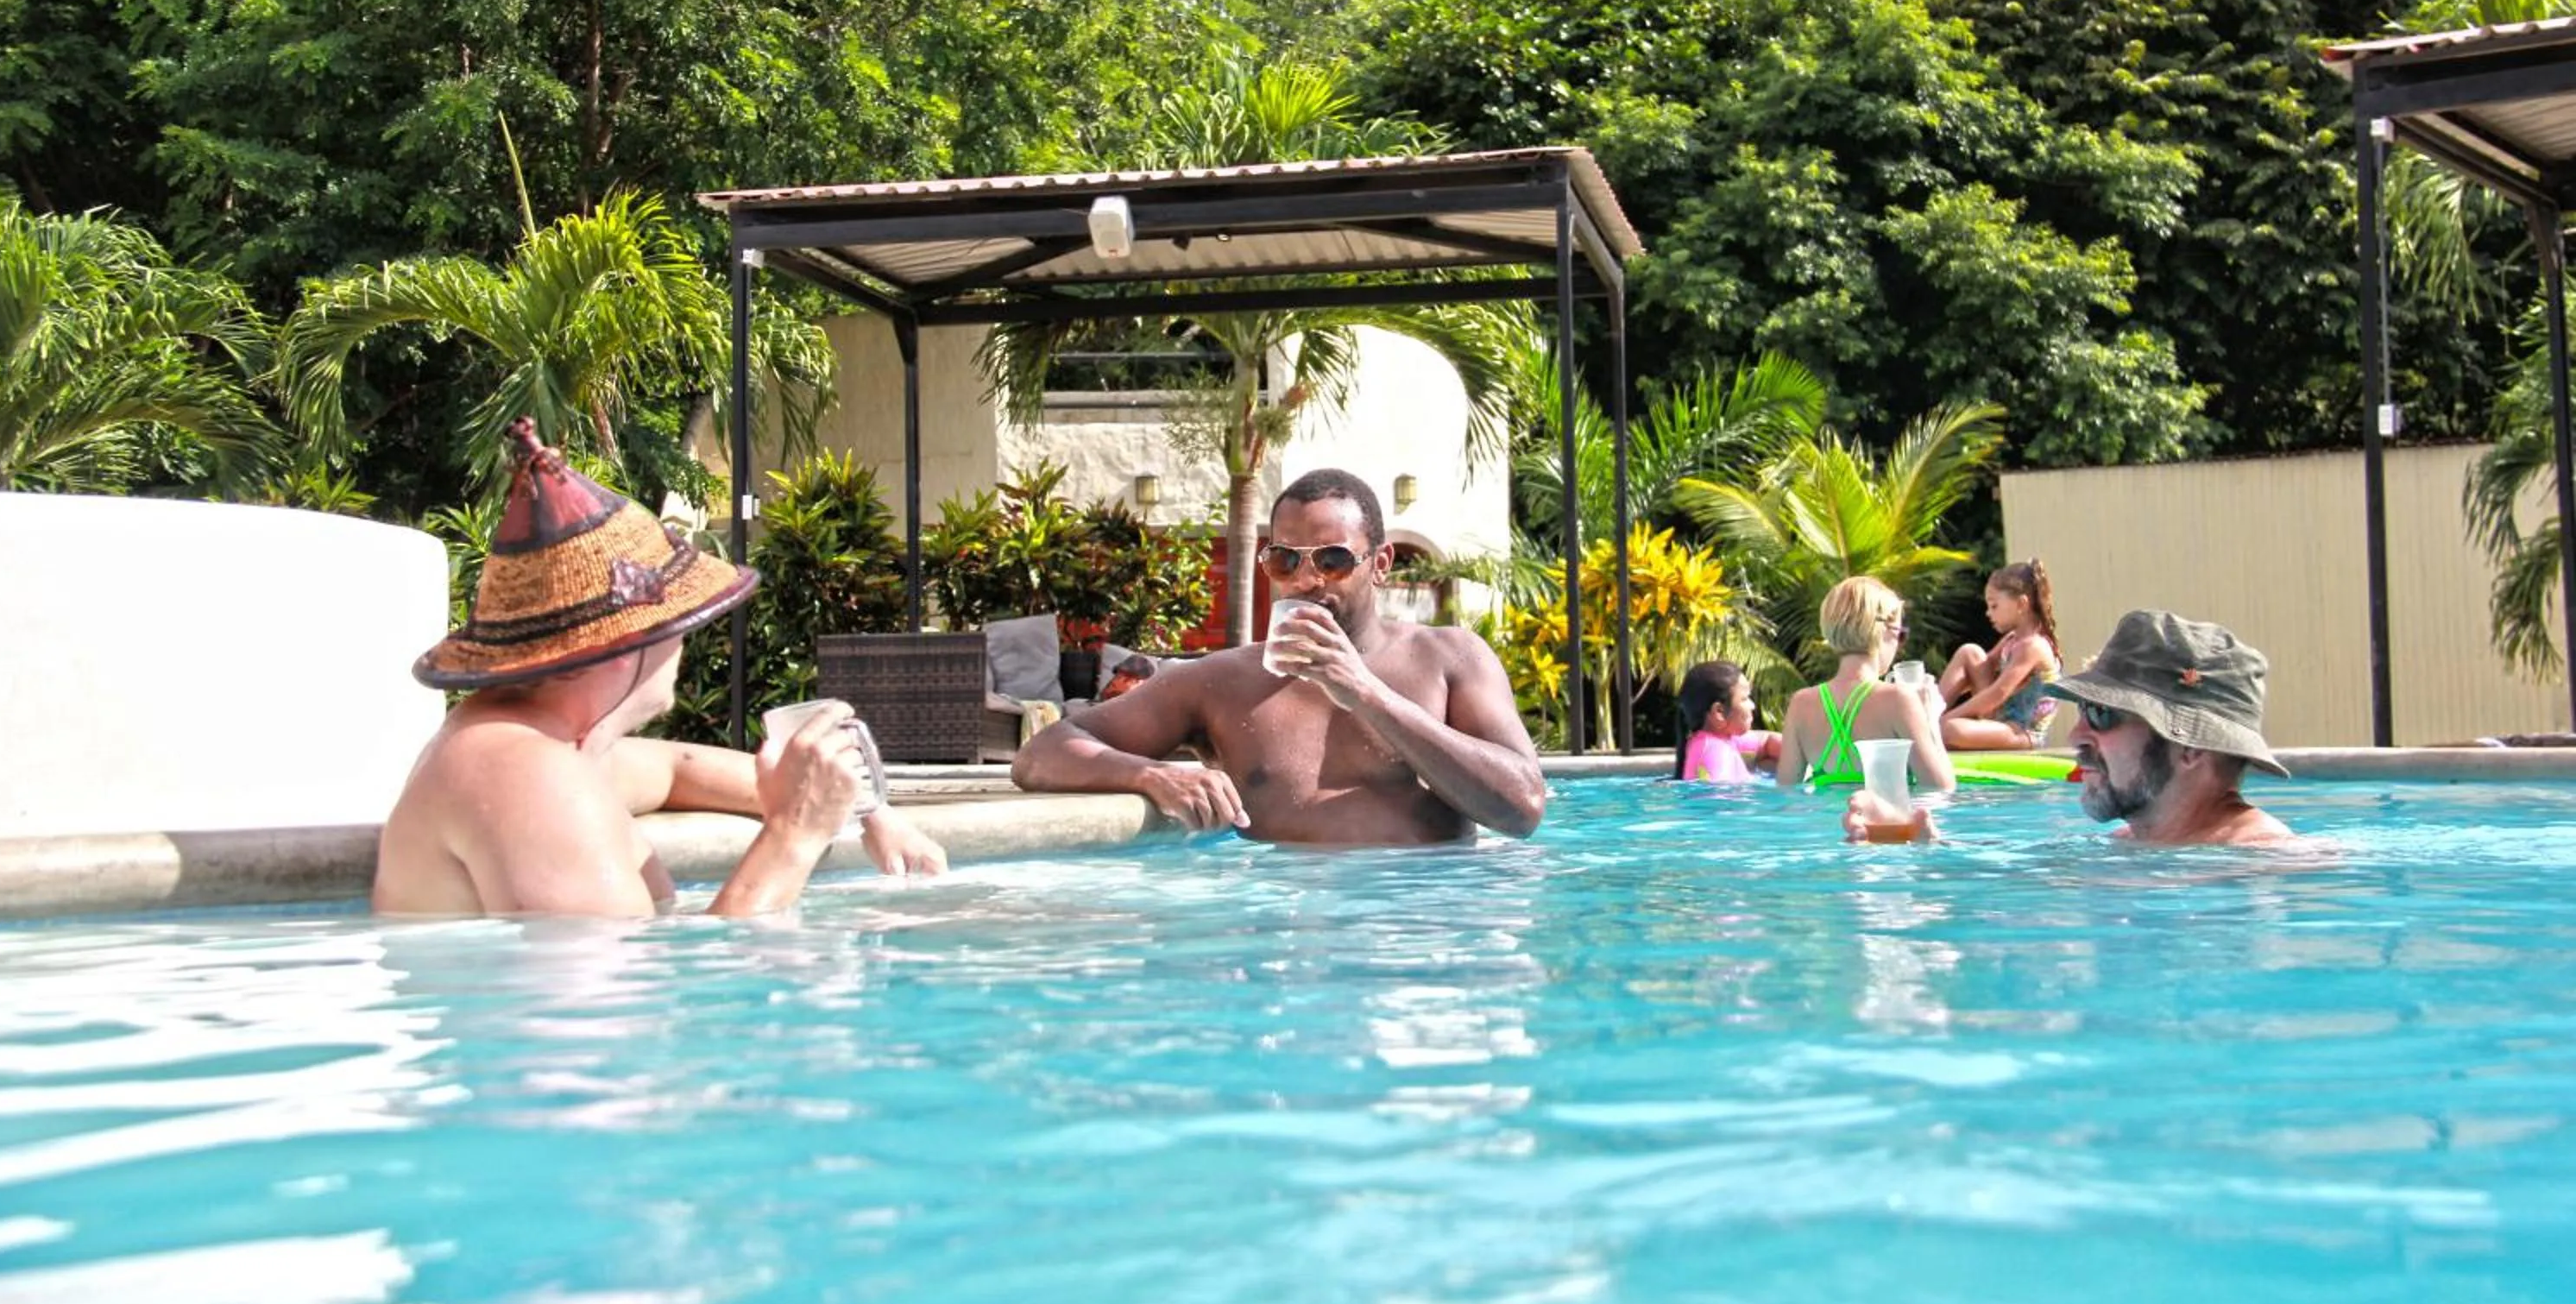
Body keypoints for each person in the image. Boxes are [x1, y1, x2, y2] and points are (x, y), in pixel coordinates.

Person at [374, 420, 947, 918]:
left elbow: (676, 769)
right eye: (680, 623)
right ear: (629, 646)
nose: (685, 643)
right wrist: (795, 835)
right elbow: (644, 1003)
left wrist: (863, 809)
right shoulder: (527, 778)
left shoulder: (549, 749)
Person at [1011, 468, 1546, 845]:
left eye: (1332, 560)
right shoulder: (1220, 682)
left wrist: (1365, 691)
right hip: (1281, 926)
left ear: (1380, 564)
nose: (1305, 581)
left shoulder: (1450, 658)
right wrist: (1151, 776)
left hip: (1424, 921)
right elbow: (1041, 755)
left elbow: (1523, 809)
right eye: (1285, 560)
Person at [1844, 608, 2295, 847]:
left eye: (2102, 715)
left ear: (2191, 748)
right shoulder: (2127, 846)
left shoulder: (2262, 862)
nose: (2076, 735)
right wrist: (1914, 844)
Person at [1775, 576, 1956, 824]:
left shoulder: (1801, 704)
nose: (1899, 646)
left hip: (1825, 831)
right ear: (1883, 631)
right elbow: (1940, 790)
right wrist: (1931, 719)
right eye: (1900, 634)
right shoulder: (1899, 699)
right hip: (1885, 834)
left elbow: (1787, 793)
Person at [1936, 559, 2061, 752]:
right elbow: (1975, 669)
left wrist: (1949, 718)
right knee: (1970, 652)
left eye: (1994, 606)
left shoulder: (2033, 646)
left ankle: (1932, 723)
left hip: (2022, 732)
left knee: (1948, 730)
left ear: (2021, 604)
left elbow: (1998, 693)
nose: (1988, 613)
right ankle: (1928, 713)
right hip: (2001, 719)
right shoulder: (2012, 640)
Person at [1673, 660, 1779, 784]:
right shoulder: (1715, 752)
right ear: (1719, 712)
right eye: (1745, 699)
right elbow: (1717, 795)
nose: (1753, 706)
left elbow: (1767, 741)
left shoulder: (1723, 739)